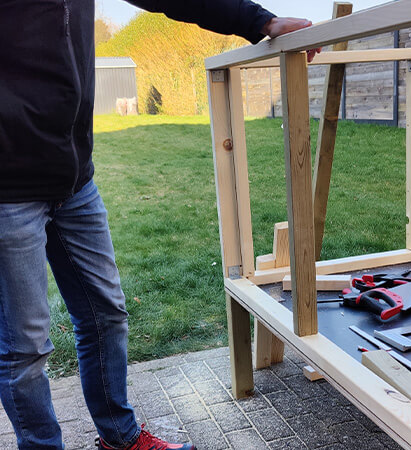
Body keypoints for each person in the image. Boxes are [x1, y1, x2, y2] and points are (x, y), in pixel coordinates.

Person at [0, 1, 319, 449]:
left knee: (106, 316)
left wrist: (259, 22)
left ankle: (120, 438)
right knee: (26, 347)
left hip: (74, 181)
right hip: (8, 189)